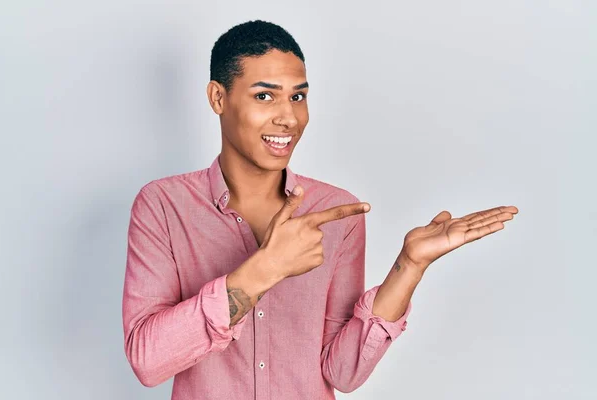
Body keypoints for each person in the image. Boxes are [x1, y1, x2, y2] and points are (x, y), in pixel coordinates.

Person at [122, 19, 518, 399]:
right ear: (218, 98)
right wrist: (266, 269)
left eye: (298, 96)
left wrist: (409, 266)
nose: (289, 117)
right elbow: (148, 360)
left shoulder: (337, 212)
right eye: (265, 95)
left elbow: (341, 373)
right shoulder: (163, 205)